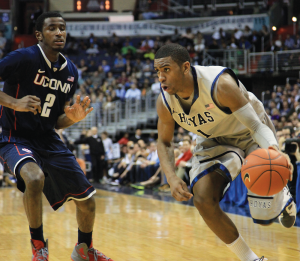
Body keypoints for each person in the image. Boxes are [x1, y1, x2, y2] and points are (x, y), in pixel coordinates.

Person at [154, 43, 296, 261]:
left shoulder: (220, 84)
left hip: (249, 132)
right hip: (214, 140)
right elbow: (164, 142)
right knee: (201, 198)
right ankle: (251, 259)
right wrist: (171, 178)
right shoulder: (164, 102)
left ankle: (282, 191)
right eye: (157, 72)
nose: (161, 77)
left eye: (166, 70)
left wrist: (274, 153)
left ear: (185, 67)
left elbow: (257, 127)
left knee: (263, 215)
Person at [0, 12, 113, 261]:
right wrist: (15, 103)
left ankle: (83, 250)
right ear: (39, 34)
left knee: (87, 200)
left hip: (48, 138)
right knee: (34, 177)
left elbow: (56, 120)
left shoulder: (70, 71)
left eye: (62, 28)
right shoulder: (22, 57)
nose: (59, 32)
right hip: (15, 136)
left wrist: (72, 117)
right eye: (52, 28)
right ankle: (39, 246)